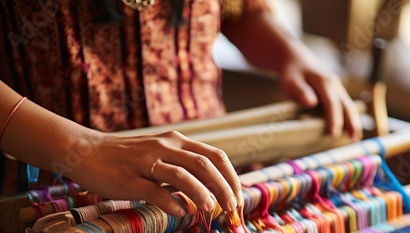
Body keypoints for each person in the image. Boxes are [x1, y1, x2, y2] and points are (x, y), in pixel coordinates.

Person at [0, 0, 362, 217]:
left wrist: (289, 54)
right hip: (50, 209)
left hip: (211, 193)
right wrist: (81, 150)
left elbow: (236, 10)